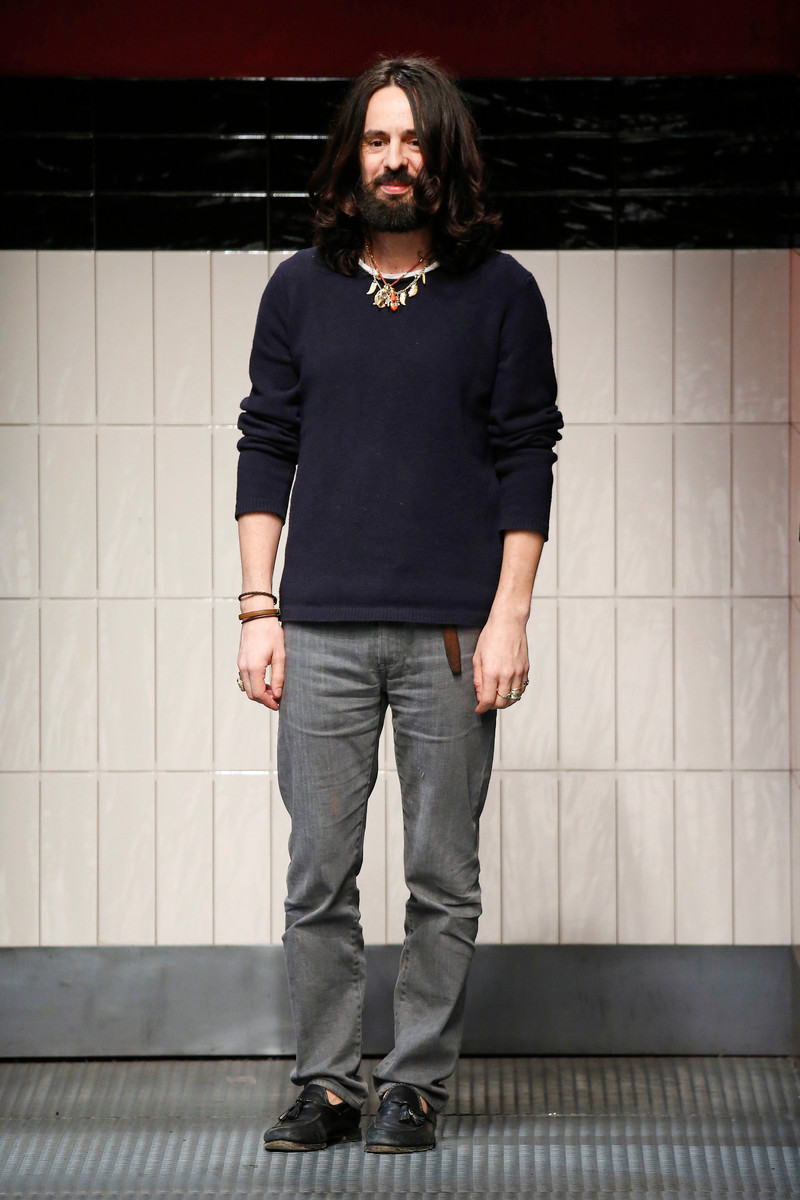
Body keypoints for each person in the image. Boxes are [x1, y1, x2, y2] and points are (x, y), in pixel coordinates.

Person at [235, 55, 562, 1154]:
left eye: (413, 140)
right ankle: (327, 1084)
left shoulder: (503, 294)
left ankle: (413, 1085)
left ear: (443, 158)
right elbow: (266, 443)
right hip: (318, 627)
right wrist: (257, 607)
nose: (393, 159)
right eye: (376, 140)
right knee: (318, 874)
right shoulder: (297, 290)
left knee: (442, 876)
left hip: (452, 634)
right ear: (351, 156)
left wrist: (510, 614)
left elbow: (527, 455)